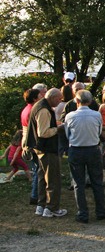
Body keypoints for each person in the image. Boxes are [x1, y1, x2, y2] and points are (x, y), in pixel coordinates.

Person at [64, 90, 105, 223]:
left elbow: (67, 134)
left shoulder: (70, 116)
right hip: (93, 149)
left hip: (76, 149)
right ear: (90, 101)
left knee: (78, 183)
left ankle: (83, 213)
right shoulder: (97, 115)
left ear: (77, 101)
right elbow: (99, 131)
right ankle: (101, 211)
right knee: (97, 182)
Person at [24, 88, 68, 218]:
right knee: (53, 179)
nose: (60, 101)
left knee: (42, 178)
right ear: (53, 97)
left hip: (40, 148)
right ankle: (52, 208)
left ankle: (41, 205)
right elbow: (43, 132)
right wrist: (58, 128)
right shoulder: (44, 109)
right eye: (59, 99)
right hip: (47, 148)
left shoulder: (40, 105)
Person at [20, 88, 42, 204]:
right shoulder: (33, 110)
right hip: (32, 143)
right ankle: (35, 196)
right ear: (35, 98)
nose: (41, 98)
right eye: (39, 96)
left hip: (26, 141)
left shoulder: (25, 109)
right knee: (39, 170)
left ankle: (35, 195)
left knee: (36, 169)